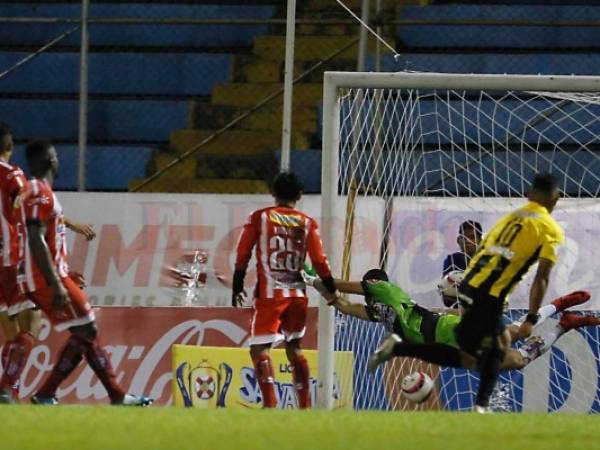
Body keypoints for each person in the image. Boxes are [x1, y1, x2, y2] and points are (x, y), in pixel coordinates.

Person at [18, 140, 152, 406]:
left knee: (84, 332)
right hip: (45, 278)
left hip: (50, 274)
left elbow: (44, 237)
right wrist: (56, 282)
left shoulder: (43, 192)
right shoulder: (38, 190)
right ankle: (112, 395)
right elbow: (36, 238)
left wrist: (63, 271)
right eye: (53, 155)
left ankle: (54, 393)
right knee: (87, 329)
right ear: (47, 161)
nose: (57, 159)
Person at [309, 268, 595, 372]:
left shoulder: (384, 288)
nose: (367, 292)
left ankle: (557, 305)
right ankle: (563, 324)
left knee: (513, 335)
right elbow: (345, 307)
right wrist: (324, 292)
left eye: (368, 287)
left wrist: (319, 281)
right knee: (515, 361)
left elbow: (342, 287)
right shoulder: (377, 312)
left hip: (445, 330)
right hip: (447, 344)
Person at [0, 125, 95, 403]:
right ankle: (7, 388)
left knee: (13, 334)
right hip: (12, 259)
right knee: (32, 327)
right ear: (10, 145)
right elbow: (28, 209)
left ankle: (8, 389)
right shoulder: (11, 175)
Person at [232, 172, 339, 409]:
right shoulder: (307, 222)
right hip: (298, 295)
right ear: (300, 196)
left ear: (273, 193)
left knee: (259, 348)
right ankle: (304, 407)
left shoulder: (259, 218)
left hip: (271, 295)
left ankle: (270, 405)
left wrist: (237, 283)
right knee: (295, 348)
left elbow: (243, 253)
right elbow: (320, 260)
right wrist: (331, 287)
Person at [441, 220, 482, 307]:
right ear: (459, 240)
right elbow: (446, 301)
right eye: (464, 238)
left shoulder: (490, 261)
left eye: (472, 237)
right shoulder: (451, 260)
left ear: (480, 241)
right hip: (458, 313)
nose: (467, 241)